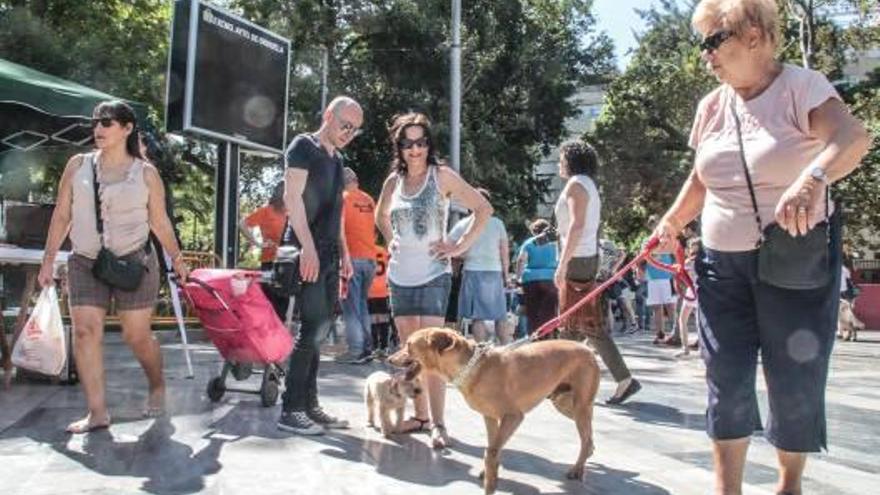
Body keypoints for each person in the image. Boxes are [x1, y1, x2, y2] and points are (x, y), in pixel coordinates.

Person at [652, 1, 870, 492]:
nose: (704, 55)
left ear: (753, 34)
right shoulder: (712, 105)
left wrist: (812, 178)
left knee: (793, 377)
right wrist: (671, 220)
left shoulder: (801, 87)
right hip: (719, 265)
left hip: (794, 260)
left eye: (712, 40)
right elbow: (702, 177)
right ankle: (726, 488)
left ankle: (787, 483)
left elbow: (853, 138)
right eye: (702, 44)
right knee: (724, 376)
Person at [37, 100, 189, 433]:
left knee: (136, 336)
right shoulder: (78, 165)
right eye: (95, 123)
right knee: (85, 332)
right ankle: (98, 412)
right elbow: (62, 215)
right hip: (85, 260)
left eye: (106, 123)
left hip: (134, 262)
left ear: (127, 128)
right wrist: (48, 259)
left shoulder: (146, 173)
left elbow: (160, 222)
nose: (98, 129)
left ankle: (157, 385)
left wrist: (177, 259)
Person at [375, 112, 492, 449]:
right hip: (399, 275)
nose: (415, 149)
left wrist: (459, 246)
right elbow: (382, 216)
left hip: (433, 274)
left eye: (421, 142)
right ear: (399, 146)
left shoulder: (442, 176)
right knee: (412, 354)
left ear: (429, 144)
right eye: (408, 143)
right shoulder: (392, 182)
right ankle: (421, 416)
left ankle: (439, 424)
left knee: (432, 357)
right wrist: (389, 238)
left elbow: (483, 210)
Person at [276, 96, 362, 436]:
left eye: (355, 130)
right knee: (311, 330)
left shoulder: (338, 160)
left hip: (329, 253)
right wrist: (307, 249)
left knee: (322, 330)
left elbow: (336, 214)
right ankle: (291, 409)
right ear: (328, 115)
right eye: (345, 125)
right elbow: (291, 199)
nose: (349, 133)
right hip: (304, 249)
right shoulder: (303, 146)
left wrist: (345, 255)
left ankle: (310, 406)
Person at [553, 141, 641, 405]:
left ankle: (565, 383)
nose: (559, 163)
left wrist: (562, 264)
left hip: (578, 259)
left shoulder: (576, 184)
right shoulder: (587, 183)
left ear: (570, 159)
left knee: (579, 323)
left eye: (561, 159)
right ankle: (564, 381)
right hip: (585, 257)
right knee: (580, 325)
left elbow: (577, 226)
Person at [449, 189, 511, 344]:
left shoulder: (462, 225)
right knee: (500, 315)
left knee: (478, 316)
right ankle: (506, 347)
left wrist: (463, 256)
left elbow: (450, 249)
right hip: (494, 271)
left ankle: (481, 351)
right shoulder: (497, 223)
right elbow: (504, 250)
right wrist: (506, 274)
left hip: (472, 270)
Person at [336, 166, 378, 364]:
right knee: (362, 305)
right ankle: (366, 348)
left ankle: (355, 351)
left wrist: (343, 256)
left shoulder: (342, 199)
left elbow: (339, 230)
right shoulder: (369, 200)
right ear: (356, 180)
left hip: (351, 259)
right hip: (370, 259)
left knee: (351, 307)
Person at [240, 182, 289, 318]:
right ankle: (269, 331)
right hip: (269, 261)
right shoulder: (267, 211)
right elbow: (242, 224)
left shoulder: (293, 212)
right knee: (270, 297)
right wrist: (257, 243)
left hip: (288, 261)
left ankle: (280, 331)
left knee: (283, 299)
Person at [515, 219, 559, 334]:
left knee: (532, 312)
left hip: (530, 280)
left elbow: (521, 260)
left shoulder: (529, 242)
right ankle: (549, 336)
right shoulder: (555, 243)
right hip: (551, 279)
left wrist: (518, 278)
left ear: (534, 232)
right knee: (549, 311)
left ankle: (534, 338)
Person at [675, 237, 700, 358]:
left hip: (693, 291)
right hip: (698, 291)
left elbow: (683, 277)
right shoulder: (704, 260)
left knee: (684, 319)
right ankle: (690, 348)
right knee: (694, 320)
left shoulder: (689, 261)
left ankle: (685, 349)